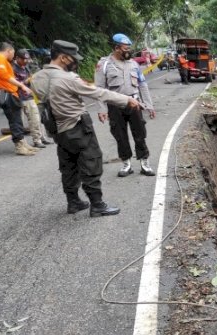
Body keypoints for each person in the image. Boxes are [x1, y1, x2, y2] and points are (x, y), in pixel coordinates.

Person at [31, 40, 141, 217]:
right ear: (63, 57)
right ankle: (97, 205)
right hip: (77, 127)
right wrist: (127, 99)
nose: (75, 61)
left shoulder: (37, 78)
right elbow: (98, 92)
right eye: (72, 58)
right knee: (91, 163)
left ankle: (73, 202)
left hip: (58, 130)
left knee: (68, 165)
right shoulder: (68, 78)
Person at [94, 33, 157, 177]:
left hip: (134, 104)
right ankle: (126, 164)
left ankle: (144, 163)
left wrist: (149, 105)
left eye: (129, 48)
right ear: (116, 48)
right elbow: (99, 89)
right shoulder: (104, 65)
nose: (128, 51)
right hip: (115, 105)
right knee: (120, 135)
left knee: (140, 133)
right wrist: (102, 109)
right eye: (125, 49)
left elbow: (142, 85)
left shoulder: (133, 64)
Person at [0, 42, 38, 156]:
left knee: (18, 121)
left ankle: (23, 144)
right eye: (13, 53)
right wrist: (21, 85)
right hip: (8, 94)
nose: (13, 56)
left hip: (12, 93)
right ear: (9, 51)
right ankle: (19, 147)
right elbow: (4, 76)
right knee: (15, 121)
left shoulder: (3, 61)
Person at [13, 48, 53, 148]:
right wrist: (26, 81)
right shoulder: (12, 68)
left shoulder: (26, 67)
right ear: (17, 58)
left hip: (29, 96)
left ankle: (39, 139)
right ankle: (22, 144)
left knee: (36, 119)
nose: (25, 61)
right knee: (19, 123)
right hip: (18, 97)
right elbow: (12, 84)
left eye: (27, 59)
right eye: (23, 59)